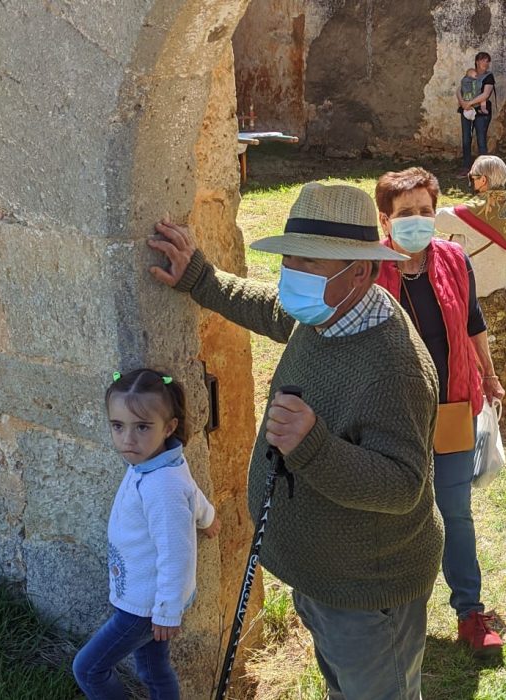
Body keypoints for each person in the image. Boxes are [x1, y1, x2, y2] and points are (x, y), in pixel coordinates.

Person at [148, 183, 443, 699]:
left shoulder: (395, 365)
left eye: (311, 263)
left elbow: (403, 486)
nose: (293, 276)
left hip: (366, 594)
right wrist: (199, 277)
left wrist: (314, 447)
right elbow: (271, 309)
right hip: (321, 576)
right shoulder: (327, 312)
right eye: (291, 260)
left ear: (360, 271)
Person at [373, 167, 506, 659]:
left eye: (425, 212)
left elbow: (472, 321)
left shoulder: (453, 258)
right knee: (394, 514)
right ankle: (387, 610)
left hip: (451, 407)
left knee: (454, 512)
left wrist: (489, 376)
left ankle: (470, 612)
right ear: (385, 219)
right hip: (392, 415)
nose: (417, 221)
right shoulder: (371, 267)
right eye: (405, 214)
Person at [74, 369, 220, 699]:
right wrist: (206, 515)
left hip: (146, 606)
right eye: (118, 426)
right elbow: (191, 492)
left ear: (168, 427)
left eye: (142, 427)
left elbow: (176, 554)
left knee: (89, 668)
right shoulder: (157, 462)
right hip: (143, 597)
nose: (127, 439)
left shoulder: (161, 485)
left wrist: (168, 611)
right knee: (154, 670)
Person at [435, 155, 506, 297]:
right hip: (497, 282)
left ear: (483, 180)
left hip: (472, 286)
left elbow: (438, 220)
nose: (471, 180)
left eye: (473, 177)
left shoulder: (477, 210)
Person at [458, 51, 496, 176]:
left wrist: (470, 103)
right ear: (477, 61)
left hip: (481, 112)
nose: (486, 63)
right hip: (466, 110)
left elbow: (485, 94)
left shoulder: (489, 77)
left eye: (487, 61)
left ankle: (483, 170)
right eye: (483, 60)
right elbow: (459, 89)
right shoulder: (469, 74)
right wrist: (463, 102)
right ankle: (466, 166)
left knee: (481, 140)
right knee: (466, 139)